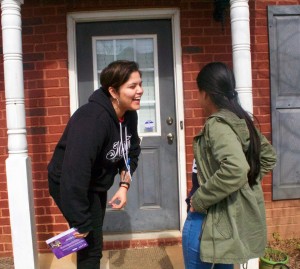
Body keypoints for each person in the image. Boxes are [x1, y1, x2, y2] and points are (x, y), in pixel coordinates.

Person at [48, 60, 143, 269]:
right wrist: (79, 218)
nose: (140, 91)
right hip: (68, 181)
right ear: (113, 91)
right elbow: (74, 174)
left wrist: (124, 186)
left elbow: (131, 152)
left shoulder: (129, 116)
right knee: (90, 245)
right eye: (132, 86)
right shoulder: (92, 120)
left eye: (140, 84)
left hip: (95, 182)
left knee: (89, 239)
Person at [182, 62, 277, 269]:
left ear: (205, 93)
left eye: (198, 93)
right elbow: (268, 157)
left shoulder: (217, 124)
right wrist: (245, 183)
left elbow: (236, 169)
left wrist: (199, 199)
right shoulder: (240, 119)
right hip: (224, 222)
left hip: (206, 221)